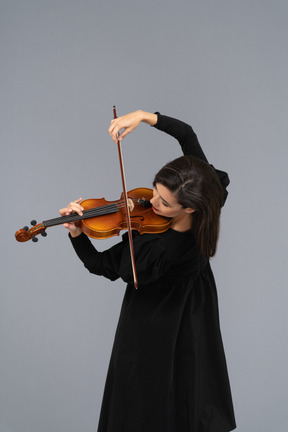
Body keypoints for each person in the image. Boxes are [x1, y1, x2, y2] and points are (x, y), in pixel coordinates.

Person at [59, 110, 236, 432]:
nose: (149, 203)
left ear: (189, 208)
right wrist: (144, 116)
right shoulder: (210, 195)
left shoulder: (156, 250)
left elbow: (98, 264)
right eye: (155, 190)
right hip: (195, 304)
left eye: (164, 203)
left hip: (154, 317)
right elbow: (187, 134)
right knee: (190, 379)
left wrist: (76, 233)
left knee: (145, 394)